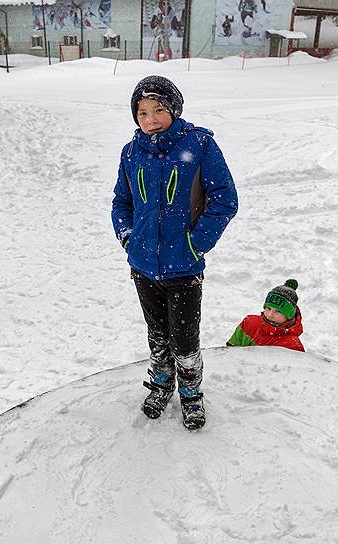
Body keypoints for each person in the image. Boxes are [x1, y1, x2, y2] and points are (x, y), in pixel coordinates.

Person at [112, 75, 238, 430]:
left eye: (158, 110)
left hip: (183, 266)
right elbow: (121, 201)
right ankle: (163, 378)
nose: (150, 119)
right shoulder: (131, 152)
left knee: (184, 338)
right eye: (142, 112)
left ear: (174, 109)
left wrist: (195, 243)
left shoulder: (198, 145)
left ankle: (191, 389)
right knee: (157, 333)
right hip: (143, 265)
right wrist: (127, 237)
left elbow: (225, 200)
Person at [227, 279, 305, 351]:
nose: (270, 315)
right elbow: (230, 353)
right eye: (268, 308)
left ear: (289, 316)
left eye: (278, 311)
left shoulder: (292, 345)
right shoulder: (249, 324)